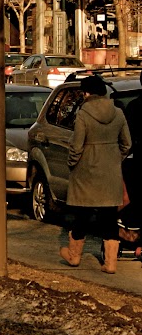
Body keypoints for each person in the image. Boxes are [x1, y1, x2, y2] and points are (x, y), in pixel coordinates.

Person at [59, 74, 131, 274]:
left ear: (87, 93)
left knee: (82, 215)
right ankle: (110, 263)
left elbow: (76, 146)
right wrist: (115, 159)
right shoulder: (118, 113)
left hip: (86, 173)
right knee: (108, 218)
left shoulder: (83, 114)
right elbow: (127, 144)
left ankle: (74, 257)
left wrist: (72, 164)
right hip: (110, 173)